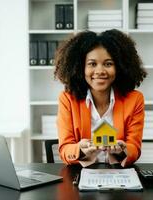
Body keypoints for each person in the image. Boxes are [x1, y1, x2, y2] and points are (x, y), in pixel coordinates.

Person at [54, 29, 147, 167]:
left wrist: (123, 149)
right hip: (80, 176)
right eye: (92, 64)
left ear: (120, 67)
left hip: (119, 175)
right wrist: (80, 149)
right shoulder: (67, 99)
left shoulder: (135, 100)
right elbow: (65, 149)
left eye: (108, 64)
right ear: (80, 68)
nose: (100, 71)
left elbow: (134, 148)